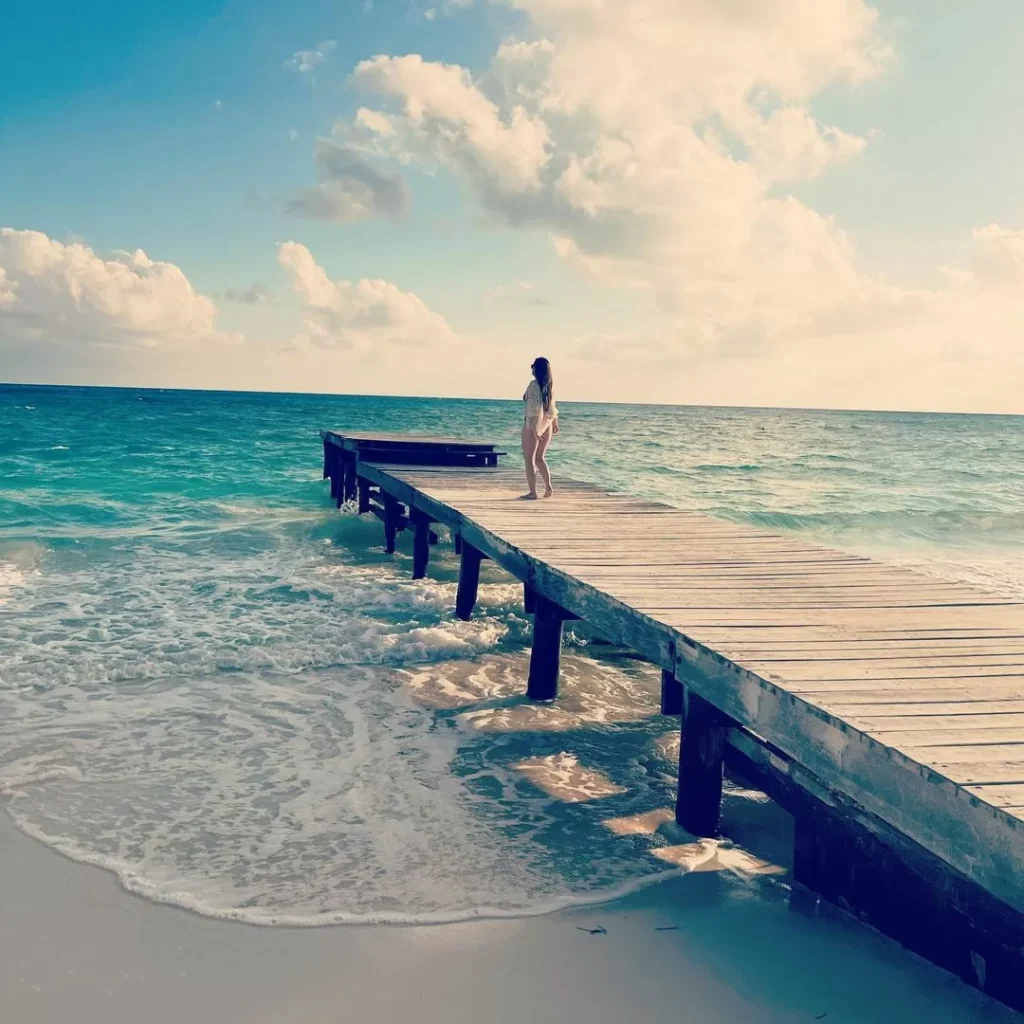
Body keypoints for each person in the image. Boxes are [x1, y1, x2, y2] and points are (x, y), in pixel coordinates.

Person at [521, 357, 559, 499]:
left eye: (532, 366)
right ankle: (548, 487)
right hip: (547, 425)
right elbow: (552, 409)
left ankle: (532, 492)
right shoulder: (549, 387)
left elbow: (534, 410)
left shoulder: (533, 385)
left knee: (529, 458)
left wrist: (535, 430)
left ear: (536, 369)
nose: (531, 368)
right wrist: (554, 424)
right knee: (539, 458)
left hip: (533, 425)